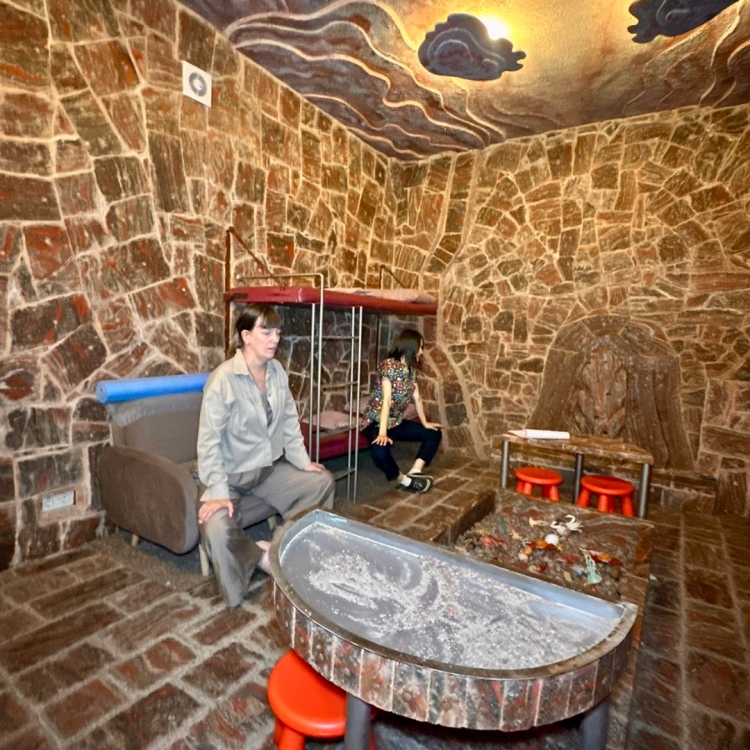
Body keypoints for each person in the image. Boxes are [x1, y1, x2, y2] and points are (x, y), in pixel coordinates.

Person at [197, 303, 335, 607]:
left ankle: (284, 547)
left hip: (267, 471)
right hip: (229, 477)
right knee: (215, 529)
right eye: (266, 331)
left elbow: (289, 421)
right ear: (246, 336)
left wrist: (302, 462)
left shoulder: (277, 372)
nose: (274, 339)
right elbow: (208, 442)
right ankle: (262, 558)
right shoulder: (222, 380)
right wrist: (218, 492)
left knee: (322, 481)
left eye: (278, 333)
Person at [360, 328, 442, 493]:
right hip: (375, 422)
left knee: (434, 433)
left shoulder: (410, 371)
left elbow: (417, 398)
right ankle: (405, 481)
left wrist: (425, 422)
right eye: (420, 347)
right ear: (410, 347)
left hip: (394, 422)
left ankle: (415, 472)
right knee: (379, 453)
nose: (421, 351)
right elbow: (386, 400)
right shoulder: (388, 366)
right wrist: (382, 433)